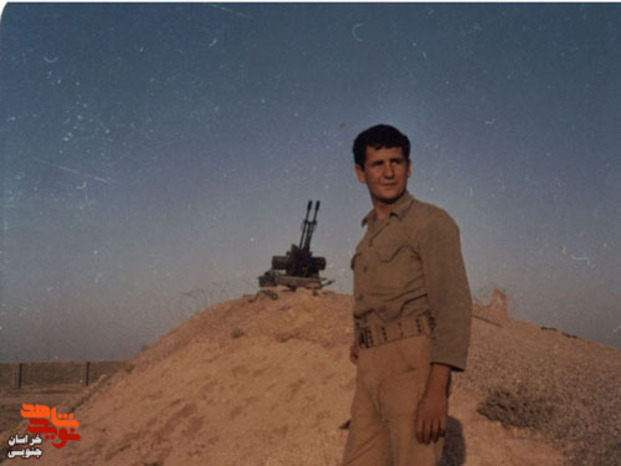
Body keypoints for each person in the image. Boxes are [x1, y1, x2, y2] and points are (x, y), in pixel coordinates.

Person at [342, 124, 472, 466]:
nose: (388, 172)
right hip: (371, 368)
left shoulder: (431, 222)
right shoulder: (369, 236)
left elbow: (454, 306)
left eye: (396, 162)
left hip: (412, 366)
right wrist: (362, 337)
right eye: (377, 164)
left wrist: (436, 390)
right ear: (360, 173)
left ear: (409, 167)